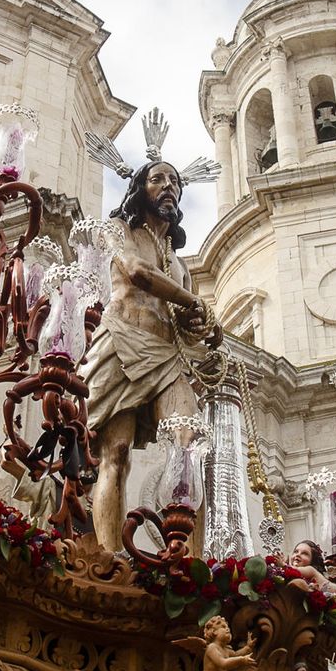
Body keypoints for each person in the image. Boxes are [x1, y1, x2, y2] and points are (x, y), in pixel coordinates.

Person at [81, 160, 215, 548]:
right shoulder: (119, 230)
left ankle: (194, 564)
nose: (168, 186)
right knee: (116, 452)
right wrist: (194, 301)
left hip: (167, 355)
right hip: (122, 340)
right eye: (158, 179)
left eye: (174, 180)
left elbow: (185, 321)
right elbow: (137, 272)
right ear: (141, 189)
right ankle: (111, 557)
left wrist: (205, 326)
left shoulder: (179, 263)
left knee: (189, 448)